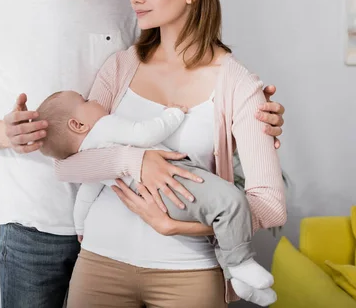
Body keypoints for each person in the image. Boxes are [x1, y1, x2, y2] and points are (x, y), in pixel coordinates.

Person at [0, 0, 286, 306]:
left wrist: (248, 125)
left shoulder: (125, 0)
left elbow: (265, 198)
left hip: (165, 257)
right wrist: (132, 160)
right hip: (40, 227)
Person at [55, 0, 287, 308]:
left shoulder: (238, 84)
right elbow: (68, 165)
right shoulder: (120, 67)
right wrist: (135, 160)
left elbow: (269, 204)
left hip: (189, 275)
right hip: (100, 265)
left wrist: (178, 226)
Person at [36, 90, 277, 306]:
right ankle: (240, 264)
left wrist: (80, 226)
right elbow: (144, 134)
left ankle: (238, 279)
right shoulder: (104, 126)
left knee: (221, 215)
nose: (95, 99)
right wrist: (174, 114)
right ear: (78, 124)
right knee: (231, 204)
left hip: (160, 200)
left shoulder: (92, 157)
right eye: (86, 100)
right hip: (174, 184)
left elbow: (85, 196)